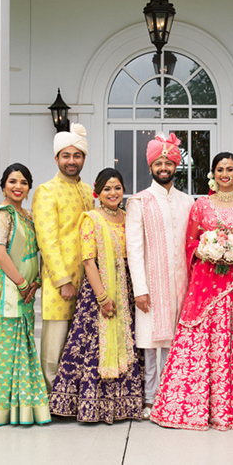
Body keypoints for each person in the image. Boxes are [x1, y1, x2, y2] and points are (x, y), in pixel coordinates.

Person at [151, 152, 233, 431]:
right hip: (205, 283)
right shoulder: (201, 204)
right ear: (212, 174)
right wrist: (205, 251)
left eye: (230, 169)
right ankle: (191, 408)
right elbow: (190, 242)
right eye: (220, 169)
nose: (224, 174)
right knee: (200, 339)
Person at [49, 168, 143, 423]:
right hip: (99, 288)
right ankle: (87, 404)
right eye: (107, 189)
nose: (113, 193)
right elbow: (89, 261)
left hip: (127, 287)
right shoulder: (91, 219)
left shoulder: (128, 217)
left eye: (117, 187)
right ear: (97, 193)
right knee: (92, 345)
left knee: (126, 341)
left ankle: (123, 405)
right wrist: (102, 297)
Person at [0, 163, 50, 426]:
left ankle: (22, 407)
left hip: (25, 286)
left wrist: (34, 283)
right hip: (4, 287)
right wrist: (22, 282)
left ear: (29, 188)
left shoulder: (27, 215)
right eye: (13, 181)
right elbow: (0, 253)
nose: (18, 186)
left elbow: (33, 253)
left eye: (24, 182)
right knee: (3, 346)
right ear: (3, 185)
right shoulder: (1, 215)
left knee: (23, 343)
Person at [126, 134, 194, 419]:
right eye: (159, 163)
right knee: (152, 345)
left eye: (169, 162)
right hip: (152, 284)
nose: (164, 167)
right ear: (151, 166)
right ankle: (151, 398)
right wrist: (140, 288)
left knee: (176, 342)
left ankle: (173, 394)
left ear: (176, 166)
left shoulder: (188, 201)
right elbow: (134, 247)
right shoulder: (139, 201)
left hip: (181, 284)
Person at [32, 123, 94, 392]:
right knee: (55, 341)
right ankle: (51, 394)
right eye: (66, 156)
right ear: (56, 158)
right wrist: (62, 280)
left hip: (89, 279)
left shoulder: (89, 191)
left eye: (76, 155)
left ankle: (73, 396)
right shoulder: (47, 191)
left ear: (84, 158)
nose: (71, 161)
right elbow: (47, 241)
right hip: (61, 280)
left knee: (80, 339)